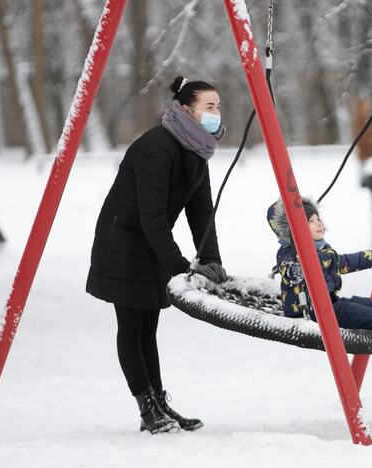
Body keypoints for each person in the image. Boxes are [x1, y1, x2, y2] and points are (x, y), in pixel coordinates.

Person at [86, 75, 229, 434]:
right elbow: (151, 214)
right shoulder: (156, 147)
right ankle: (146, 408)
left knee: (149, 327)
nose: (216, 113)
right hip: (123, 242)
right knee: (132, 326)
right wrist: (179, 267)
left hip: (150, 241)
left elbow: (201, 212)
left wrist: (211, 260)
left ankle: (159, 403)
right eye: (209, 107)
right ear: (186, 110)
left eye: (218, 106)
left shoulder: (196, 150)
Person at [266, 199, 372, 349]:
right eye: (311, 221)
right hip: (311, 311)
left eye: (318, 219)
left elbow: (345, 262)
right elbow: (286, 267)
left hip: (329, 303)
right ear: (294, 229)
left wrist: (371, 257)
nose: (319, 223)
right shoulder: (289, 251)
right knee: (369, 315)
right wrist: (293, 271)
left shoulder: (323, 250)